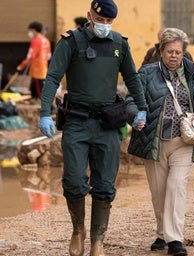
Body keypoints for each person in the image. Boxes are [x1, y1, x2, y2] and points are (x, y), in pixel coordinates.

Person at [38, 0, 148, 255]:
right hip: (77, 122)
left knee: (105, 185)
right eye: (100, 21)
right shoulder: (71, 42)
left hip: (108, 123)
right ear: (90, 16)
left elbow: (131, 76)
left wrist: (141, 107)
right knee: (74, 181)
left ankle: (98, 239)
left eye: (109, 22)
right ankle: (78, 230)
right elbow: (53, 76)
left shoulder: (120, 43)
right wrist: (45, 113)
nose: (104, 26)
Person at [126, 27, 194, 256]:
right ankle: (162, 234)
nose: (174, 56)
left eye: (178, 52)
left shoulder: (193, 72)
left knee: (176, 186)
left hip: (183, 141)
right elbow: (130, 99)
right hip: (154, 140)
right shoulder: (146, 73)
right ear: (161, 51)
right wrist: (134, 115)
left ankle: (175, 239)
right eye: (170, 51)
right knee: (159, 191)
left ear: (184, 52)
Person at [17, 21, 51, 102]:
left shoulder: (35, 41)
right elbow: (49, 56)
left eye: (30, 31)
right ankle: (33, 99)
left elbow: (30, 56)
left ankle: (48, 107)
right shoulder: (46, 40)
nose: (29, 33)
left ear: (34, 30)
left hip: (37, 69)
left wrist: (21, 66)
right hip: (43, 68)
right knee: (35, 85)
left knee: (39, 89)